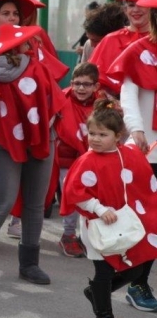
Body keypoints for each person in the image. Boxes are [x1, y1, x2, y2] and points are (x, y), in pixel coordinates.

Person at [0, 25, 66, 285]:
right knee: (3, 201)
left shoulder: (37, 65)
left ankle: (29, 264)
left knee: (34, 204)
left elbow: (51, 101)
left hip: (39, 138)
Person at [61, 99, 157, 318]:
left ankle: (96, 292)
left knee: (134, 269)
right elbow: (74, 191)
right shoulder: (87, 160)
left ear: (117, 136)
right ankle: (104, 316)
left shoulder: (129, 155)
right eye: (91, 133)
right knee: (103, 271)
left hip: (124, 223)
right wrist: (99, 209)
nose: (94, 138)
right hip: (97, 224)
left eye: (102, 134)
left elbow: (143, 179)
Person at [107, 0, 157, 311]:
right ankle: (132, 283)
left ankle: (128, 281)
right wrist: (137, 129)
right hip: (145, 148)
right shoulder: (139, 50)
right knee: (145, 221)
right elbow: (128, 94)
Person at [52, 63, 100, 258]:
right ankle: (68, 234)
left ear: (96, 86)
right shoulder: (60, 100)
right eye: (77, 83)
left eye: (86, 84)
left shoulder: (103, 105)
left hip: (93, 160)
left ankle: (87, 236)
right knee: (71, 197)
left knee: (91, 198)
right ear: (71, 82)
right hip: (66, 159)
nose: (81, 88)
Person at [89, 0, 155, 95]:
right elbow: (91, 78)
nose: (136, 10)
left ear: (153, 9)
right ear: (125, 10)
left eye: (141, 5)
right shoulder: (110, 40)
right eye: (131, 5)